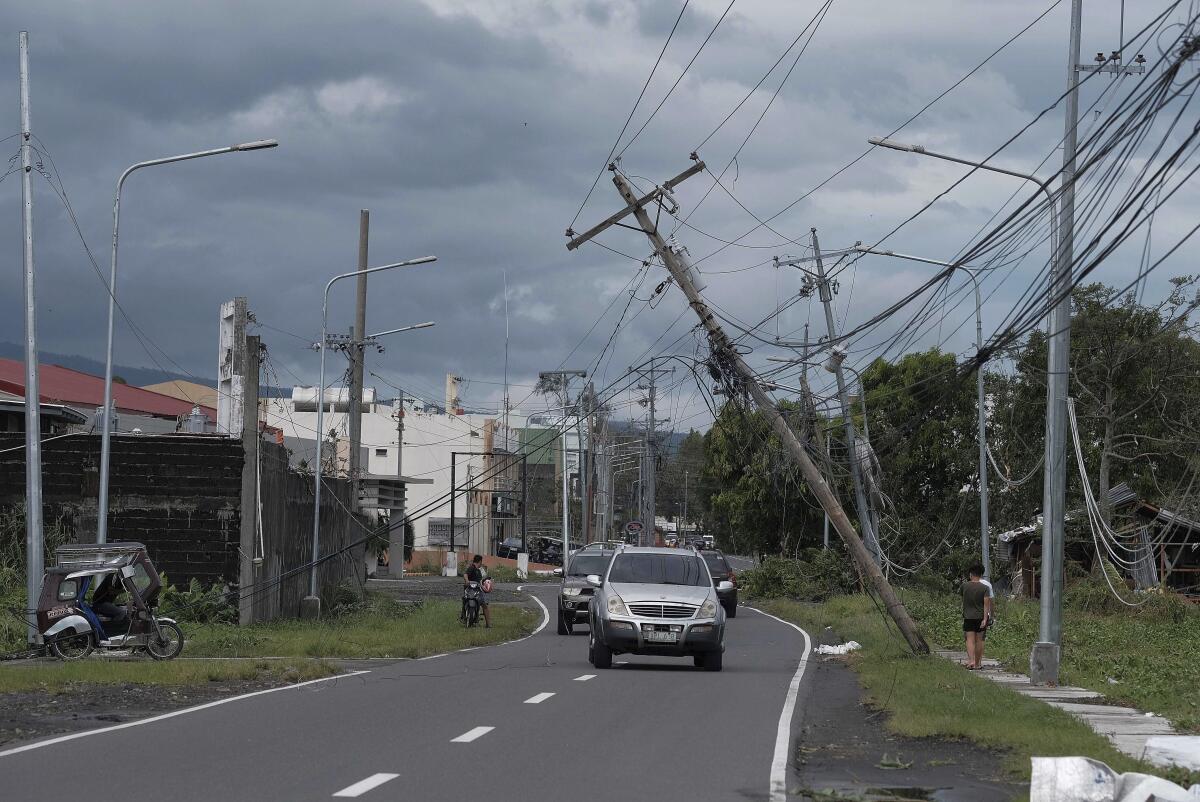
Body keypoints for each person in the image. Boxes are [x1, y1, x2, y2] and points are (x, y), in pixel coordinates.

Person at [961, 564, 992, 670]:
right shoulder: (985, 588)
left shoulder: (964, 586)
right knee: (980, 640)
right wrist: (985, 619)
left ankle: (971, 661)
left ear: (971, 574)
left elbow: (962, 598)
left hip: (968, 616)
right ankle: (978, 663)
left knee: (969, 639)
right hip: (980, 617)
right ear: (981, 574)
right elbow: (986, 604)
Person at [464, 554, 491, 628]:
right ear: (479, 561)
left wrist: (484, 588)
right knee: (466, 600)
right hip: (470, 590)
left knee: (484, 605)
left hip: (478, 590)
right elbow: (465, 575)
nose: (481, 564)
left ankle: (488, 624)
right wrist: (467, 581)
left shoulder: (479, 571)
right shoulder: (471, 568)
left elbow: (480, 582)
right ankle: (464, 615)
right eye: (481, 562)